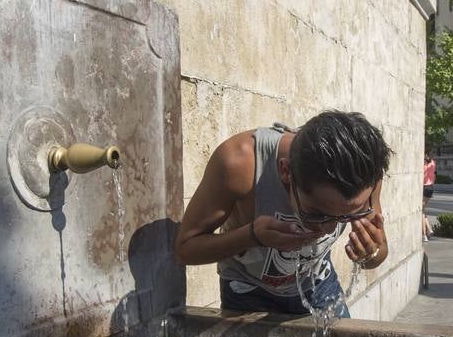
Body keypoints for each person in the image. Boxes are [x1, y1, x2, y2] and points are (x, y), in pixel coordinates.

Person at [174, 111, 391, 316]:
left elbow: (377, 256)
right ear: (286, 172)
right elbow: (186, 250)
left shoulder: (365, 175)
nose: (330, 229)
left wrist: (370, 253)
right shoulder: (240, 163)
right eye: (317, 214)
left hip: (319, 284)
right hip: (247, 290)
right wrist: (252, 236)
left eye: (348, 216)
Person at [422, 153, 436, 241]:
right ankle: (429, 229)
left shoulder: (424, 166)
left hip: (424, 187)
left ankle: (424, 235)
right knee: (423, 209)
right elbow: (434, 175)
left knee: (421, 212)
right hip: (431, 187)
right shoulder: (433, 163)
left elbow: (422, 176)